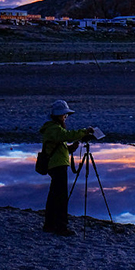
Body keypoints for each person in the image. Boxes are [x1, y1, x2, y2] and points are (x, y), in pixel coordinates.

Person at [40, 100, 94, 236]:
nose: (66, 117)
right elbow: (66, 136)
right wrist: (84, 132)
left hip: (57, 165)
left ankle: (50, 225)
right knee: (60, 198)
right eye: (65, 115)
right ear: (59, 115)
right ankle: (61, 227)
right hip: (57, 166)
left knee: (54, 196)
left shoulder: (55, 129)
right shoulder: (54, 129)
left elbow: (58, 146)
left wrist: (71, 149)